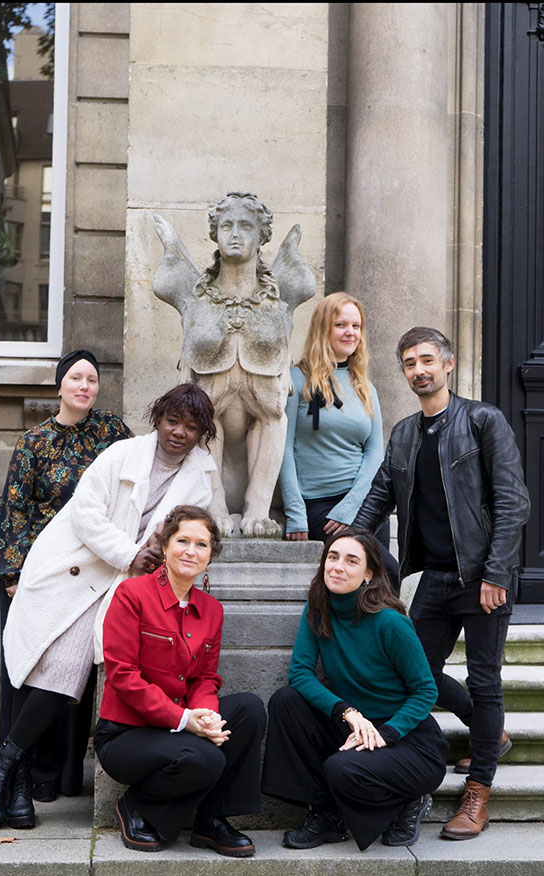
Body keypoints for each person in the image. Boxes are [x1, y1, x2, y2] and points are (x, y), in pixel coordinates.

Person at [0, 383, 217, 832]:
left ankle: (4, 765)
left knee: (65, 665)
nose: (178, 432)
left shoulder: (200, 476)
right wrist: (127, 553)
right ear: (157, 419)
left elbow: (184, 537)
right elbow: (85, 512)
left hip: (120, 586)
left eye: (191, 426)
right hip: (71, 566)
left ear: (202, 432)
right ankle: (14, 775)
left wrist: (141, 562)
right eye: (171, 421)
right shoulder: (124, 454)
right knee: (37, 660)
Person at [353, 326, 531, 840]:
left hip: (482, 577)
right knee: (421, 675)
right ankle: (487, 732)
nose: (418, 370)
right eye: (409, 363)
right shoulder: (406, 432)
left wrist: (497, 571)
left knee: (484, 678)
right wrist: (348, 546)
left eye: (427, 360)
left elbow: (511, 502)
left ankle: (478, 792)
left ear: (448, 364)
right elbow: (380, 493)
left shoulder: (483, 420)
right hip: (435, 577)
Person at [0, 348, 133, 803]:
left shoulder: (112, 434)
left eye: (92, 379)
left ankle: (64, 773)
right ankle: (19, 773)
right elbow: (13, 511)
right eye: (76, 378)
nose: (85, 386)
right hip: (36, 572)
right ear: (59, 386)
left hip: (87, 570)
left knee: (71, 672)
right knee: (28, 669)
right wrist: (10, 573)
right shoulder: (33, 443)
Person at [95, 505, 266, 856]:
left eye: (201, 544)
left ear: (211, 554)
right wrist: (185, 720)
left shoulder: (211, 610)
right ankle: (137, 806)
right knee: (206, 759)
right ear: (166, 545)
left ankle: (211, 821)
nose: (191, 551)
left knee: (249, 709)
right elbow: (123, 676)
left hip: (181, 724)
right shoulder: (132, 595)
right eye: (182, 540)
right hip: (127, 733)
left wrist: (206, 715)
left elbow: (205, 678)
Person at [262, 530, 448, 851]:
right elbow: (300, 674)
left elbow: (425, 691)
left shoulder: (390, 623)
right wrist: (346, 711)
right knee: (286, 701)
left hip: (409, 742)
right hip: (354, 727)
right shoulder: (319, 609)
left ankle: (409, 801)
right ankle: (326, 814)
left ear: (368, 575)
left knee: (340, 768)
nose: (338, 567)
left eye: (351, 561)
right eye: (332, 557)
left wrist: (386, 733)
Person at [153, 192, 315, 537]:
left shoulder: (277, 303)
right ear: (215, 233)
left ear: (262, 237)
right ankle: (214, 505)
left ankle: (258, 507)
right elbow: (201, 417)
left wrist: (259, 506)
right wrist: (214, 504)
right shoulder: (197, 299)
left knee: (273, 414)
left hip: (262, 457)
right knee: (204, 413)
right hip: (212, 457)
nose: (235, 234)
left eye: (245, 226)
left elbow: (273, 415)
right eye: (226, 225)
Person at [279, 292, 398, 588]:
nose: (351, 333)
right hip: (318, 505)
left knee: (375, 589)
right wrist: (295, 513)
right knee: (388, 573)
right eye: (341, 324)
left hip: (363, 504)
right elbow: (281, 450)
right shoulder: (295, 380)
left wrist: (352, 505)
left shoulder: (365, 388)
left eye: (356, 326)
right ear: (323, 329)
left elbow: (374, 453)